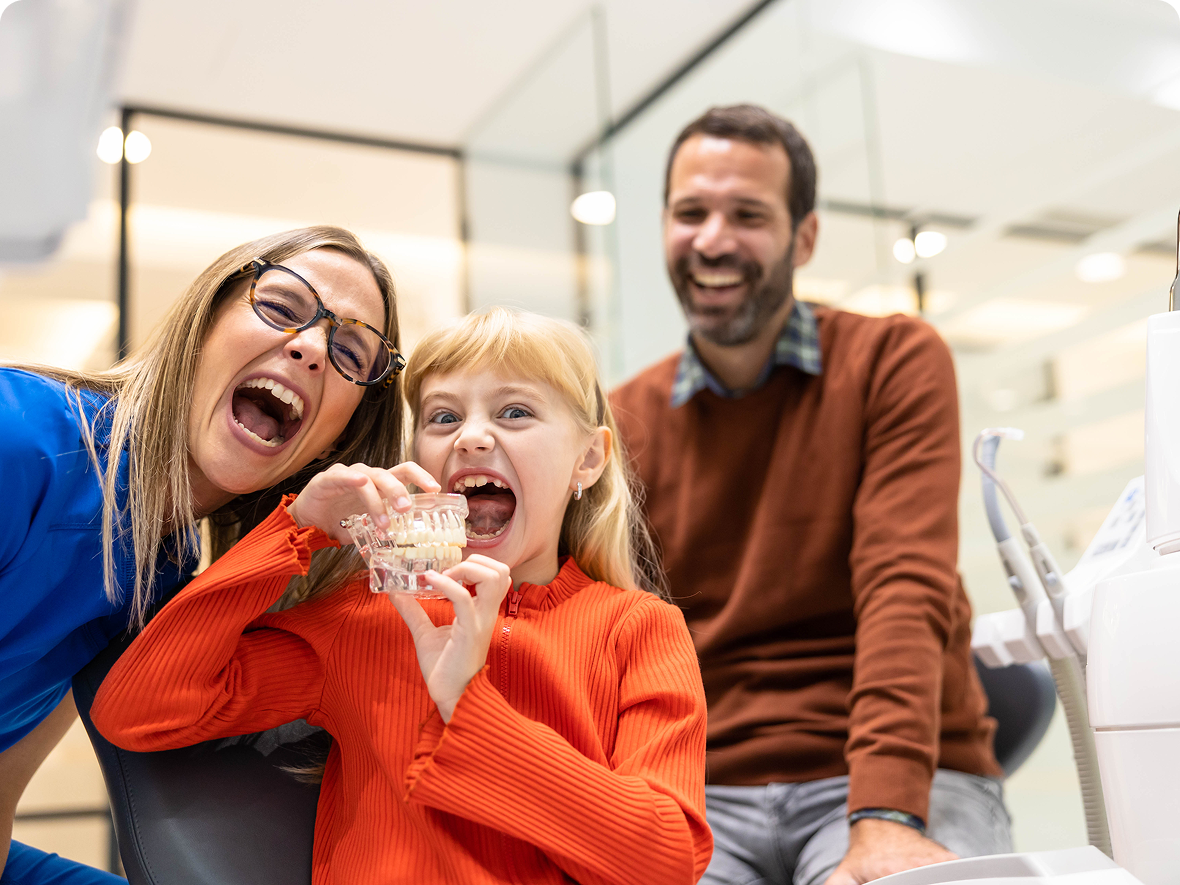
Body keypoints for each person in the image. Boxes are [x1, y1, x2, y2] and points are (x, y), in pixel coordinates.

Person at [90, 307, 713, 884]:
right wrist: (294, 530)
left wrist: (469, 707)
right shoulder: (362, 619)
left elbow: (668, 860)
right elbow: (138, 711)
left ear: (588, 459)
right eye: (443, 417)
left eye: (515, 412)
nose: (469, 438)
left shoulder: (639, 630)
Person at [609, 104, 1011, 885]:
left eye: (748, 214)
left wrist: (886, 814)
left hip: (893, 775)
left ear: (805, 237)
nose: (713, 239)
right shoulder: (623, 423)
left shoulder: (892, 359)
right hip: (700, 789)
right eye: (690, 213)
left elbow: (906, 586)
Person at [0, 225, 407, 885]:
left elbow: (5, 777)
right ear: (204, 323)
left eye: (351, 350)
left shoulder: (168, 568)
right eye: (281, 307)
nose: (308, 347)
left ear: (336, 442)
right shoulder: (19, 442)